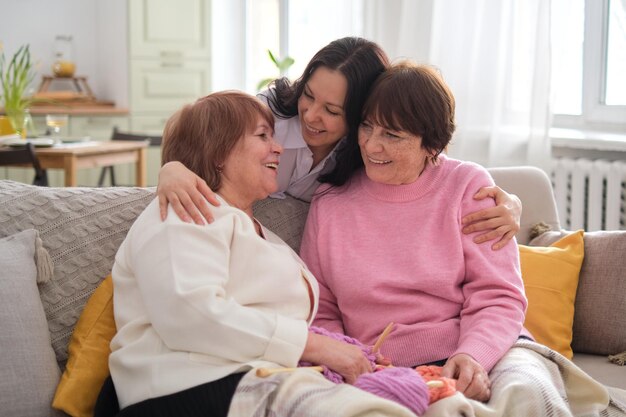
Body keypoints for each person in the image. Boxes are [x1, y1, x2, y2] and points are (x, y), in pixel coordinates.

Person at [100, 91, 407, 417]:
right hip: (183, 387)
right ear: (218, 150)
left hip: (253, 378)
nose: (278, 147)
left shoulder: (260, 232)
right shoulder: (185, 210)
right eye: (262, 136)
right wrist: (317, 347)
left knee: (432, 402)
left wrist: (349, 354)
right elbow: (191, 316)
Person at [299, 61, 530, 403]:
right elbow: (320, 308)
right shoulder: (329, 201)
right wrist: (350, 359)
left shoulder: (469, 187)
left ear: (431, 145)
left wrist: (473, 356)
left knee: (526, 393)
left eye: (392, 135)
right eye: (367, 127)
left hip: (473, 350)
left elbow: (498, 295)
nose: (372, 146)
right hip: (370, 367)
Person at [156, 37, 522, 250]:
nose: (312, 116)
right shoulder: (265, 117)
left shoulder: (369, 152)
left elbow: (431, 165)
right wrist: (171, 168)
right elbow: (196, 132)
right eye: (309, 95)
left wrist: (512, 201)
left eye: (332, 110)